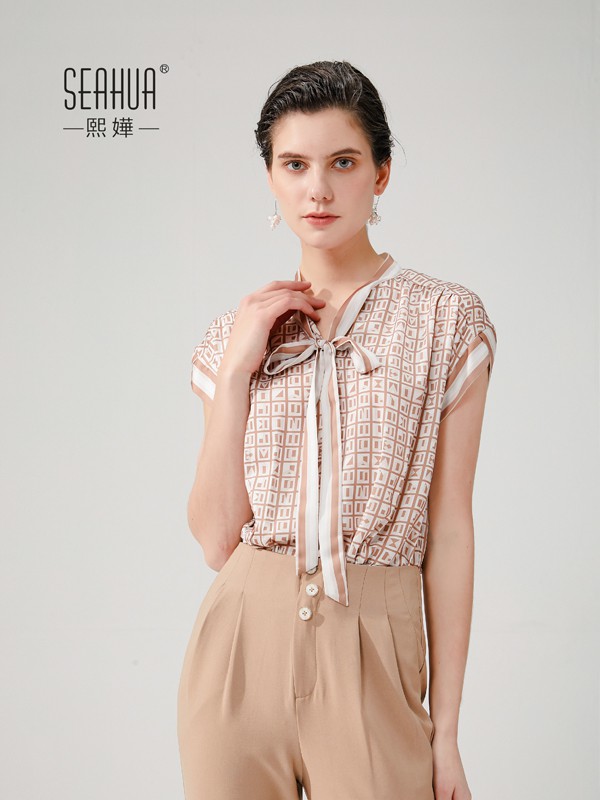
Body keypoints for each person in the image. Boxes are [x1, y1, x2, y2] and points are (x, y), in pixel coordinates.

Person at [177, 60, 497, 800]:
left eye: (342, 162)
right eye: (294, 164)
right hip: (238, 654)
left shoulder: (446, 320)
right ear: (270, 177)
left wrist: (446, 733)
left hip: (373, 643)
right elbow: (217, 540)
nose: (317, 189)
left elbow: (450, 530)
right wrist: (237, 370)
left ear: (380, 173)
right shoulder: (231, 335)